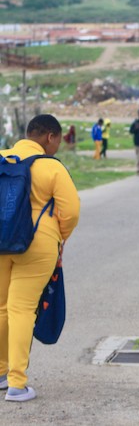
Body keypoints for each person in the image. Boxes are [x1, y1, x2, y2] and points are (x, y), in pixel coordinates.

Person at [0, 114, 80, 402]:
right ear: (50, 137)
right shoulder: (51, 167)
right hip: (38, 243)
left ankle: (1, 372)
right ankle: (17, 384)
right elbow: (70, 212)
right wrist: (59, 237)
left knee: (2, 307)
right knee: (22, 308)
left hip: (1, 242)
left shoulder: (2, 158)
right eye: (57, 140)